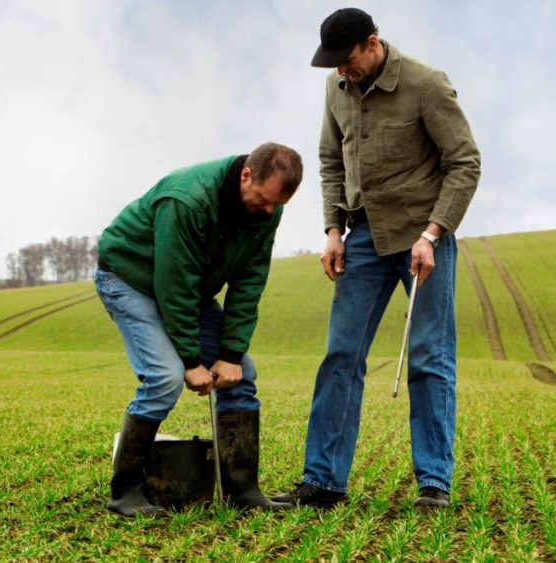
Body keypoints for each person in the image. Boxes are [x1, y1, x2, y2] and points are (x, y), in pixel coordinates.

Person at [273, 9, 481, 510]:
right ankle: (322, 483)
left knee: (430, 357)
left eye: (346, 60)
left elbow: (465, 162)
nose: (341, 71)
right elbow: (329, 160)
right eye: (333, 65)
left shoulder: (426, 85)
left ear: (372, 43)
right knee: (340, 356)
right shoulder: (336, 88)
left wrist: (433, 233)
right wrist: (332, 230)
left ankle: (434, 482)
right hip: (362, 237)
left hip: (420, 239)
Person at [95, 142, 303, 517]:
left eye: (277, 204)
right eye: (262, 200)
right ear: (245, 176)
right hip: (129, 279)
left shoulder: (267, 210)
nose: (269, 211)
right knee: (165, 377)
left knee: (244, 373)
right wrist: (192, 361)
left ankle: (241, 489)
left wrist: (229, 355)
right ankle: (125, 492)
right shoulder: (188, 200)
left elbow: (249, 282)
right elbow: (174, 286)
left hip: (187, 289)